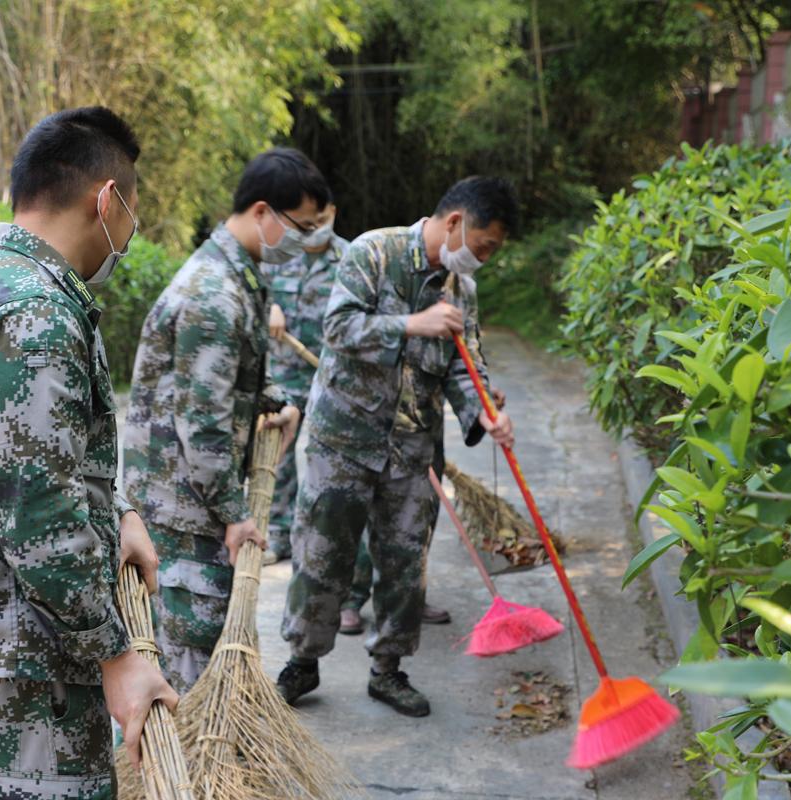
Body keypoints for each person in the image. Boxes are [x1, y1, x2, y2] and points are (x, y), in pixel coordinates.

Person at [0, 107, 178, 800]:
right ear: (106, 199)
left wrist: (117, 517)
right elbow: (40, 513)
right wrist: (114, 654)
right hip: (23, 676)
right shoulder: (38, 314)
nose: (131, 233)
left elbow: (17, 464)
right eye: (133, 212)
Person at [277, 176, 518, 717]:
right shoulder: (374, 252)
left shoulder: (462, 290)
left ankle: (388, 670)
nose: (483, 260)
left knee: (405, 563)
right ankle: (303, 661)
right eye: (484, 247)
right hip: (343, 440)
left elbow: (465, 363)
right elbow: (338, 328)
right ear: (455, 222)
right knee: (322, 555)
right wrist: (413, 324)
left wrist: (485, 411)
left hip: (412, 447)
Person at [123, 148, 325, 692]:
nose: (305, 240)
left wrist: (272, 400)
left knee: (194, 648)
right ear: (263, 212)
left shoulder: (236, 279)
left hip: (194, 493)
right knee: (191, 657)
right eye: (300, 227)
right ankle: (176, 774)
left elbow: (224, 383)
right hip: (182, 503)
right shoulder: (214, 294)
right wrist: (236, 515)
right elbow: (202, 419)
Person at [262, 200, 348, 563]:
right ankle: (279, 534)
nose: (315, 226)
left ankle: (325, 543)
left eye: (322, 219)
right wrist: (270, 305)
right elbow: (253, 289)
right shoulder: (281, 252)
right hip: (285, 372)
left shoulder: (350, 258)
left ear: (333, 212)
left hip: (333, 375)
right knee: (279, 454)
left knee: (331, 459)